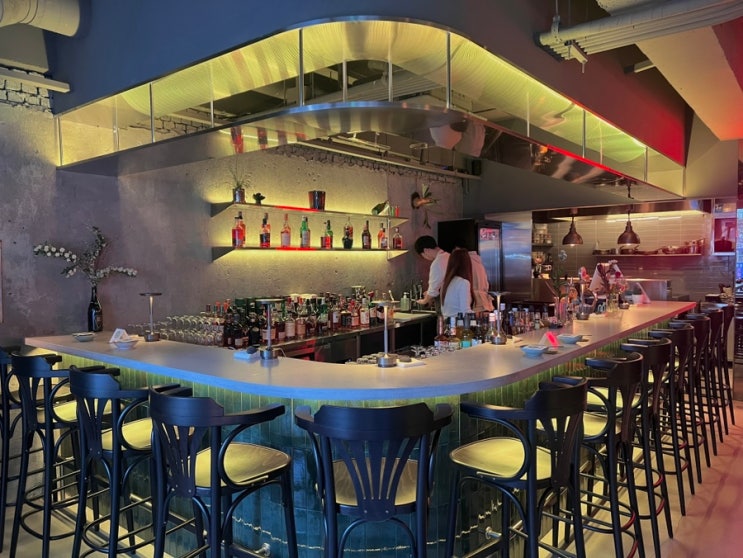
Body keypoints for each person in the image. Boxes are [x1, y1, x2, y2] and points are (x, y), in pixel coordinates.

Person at [414, 235, 450, 307]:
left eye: (422, 255)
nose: (425, 258)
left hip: (447, 303)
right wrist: (429, 293)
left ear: (425, 250)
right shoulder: (448, 256)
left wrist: (424, 301)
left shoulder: (437, 262)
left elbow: (433, 291)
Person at [440, 248, 474, 320]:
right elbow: (465, 312)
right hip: (458, 324)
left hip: (446, 323)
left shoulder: (446, 282)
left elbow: (443, 309)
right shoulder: (463, 283)